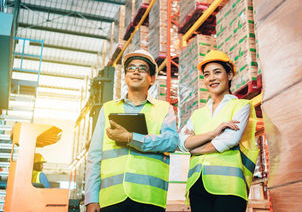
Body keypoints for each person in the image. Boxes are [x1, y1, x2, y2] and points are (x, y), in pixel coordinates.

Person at [85, 49, 179, 212]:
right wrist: (91, 198)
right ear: (125, 76)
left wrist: (131, 137)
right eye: (131, 68)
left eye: (142, 68)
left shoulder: (164, 109)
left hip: (149, 197)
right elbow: (95, 155)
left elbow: (171, 142)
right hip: (112, 197)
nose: (136, 71)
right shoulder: (108, 109)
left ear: (152, 79)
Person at [178, 50, 259, 212]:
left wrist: (195, 148)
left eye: (217, 72)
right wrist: (214, 133)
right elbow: (182, 143)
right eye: (207, 74)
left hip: (229, 187)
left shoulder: (241, 106)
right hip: (197, 184)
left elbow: (229, 140)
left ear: (229, 75)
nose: (211, 78)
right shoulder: (197, 114)